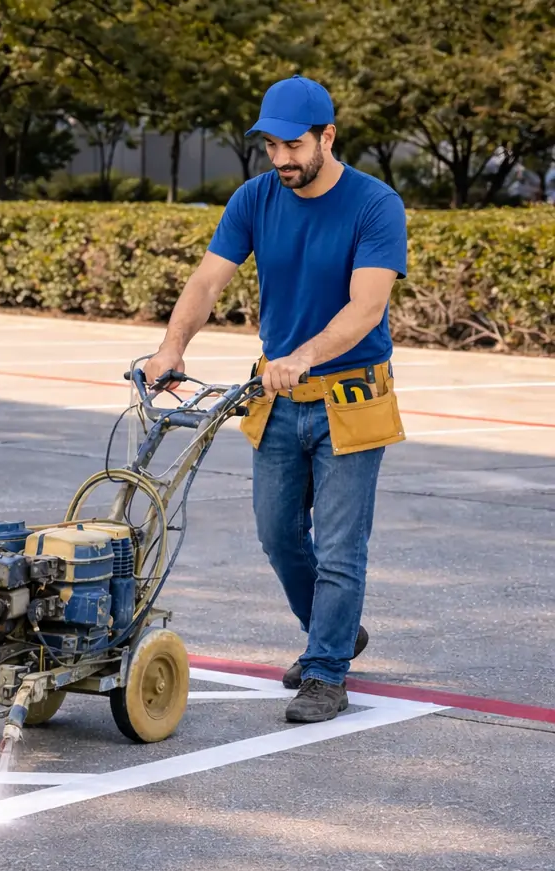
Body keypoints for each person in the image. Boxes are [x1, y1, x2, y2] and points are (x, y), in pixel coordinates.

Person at [144, 75, 408, 724]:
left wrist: (304, 355)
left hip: (351, 399)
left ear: (328, 137)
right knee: (277, 534)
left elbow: (366, 305)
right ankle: (336, 631)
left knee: (342, 548)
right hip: (277, 400)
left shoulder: (375, 205)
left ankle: (325, 671)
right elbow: (208, 280)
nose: (282, 160)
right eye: (271, 147)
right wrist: (171, 346)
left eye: (294, 146)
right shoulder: (255, 198)